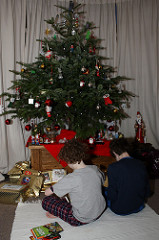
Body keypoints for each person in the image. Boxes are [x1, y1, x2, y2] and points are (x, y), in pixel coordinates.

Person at [42, 139, 106, 226]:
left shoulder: (71, 178)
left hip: (80, 218)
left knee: (46, 201)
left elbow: (47, 193)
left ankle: (58, 213)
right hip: (99, 212)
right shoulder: (95, 169)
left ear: (68, 161)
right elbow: (103, 180)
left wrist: (54, 185)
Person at [103, 138, 150, 215]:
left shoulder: (112, 167)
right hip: (139, 206)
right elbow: (147, 191)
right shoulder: (141, 164)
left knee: (103, 190)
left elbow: (112, 195)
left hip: (120, 209)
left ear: (114, 153)